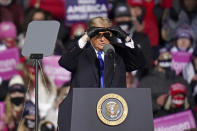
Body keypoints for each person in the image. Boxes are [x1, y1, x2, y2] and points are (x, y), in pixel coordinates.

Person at [58, 16, 145, 88]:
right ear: (90, 34)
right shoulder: (80, 52)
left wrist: (126, 38)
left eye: (106, 35)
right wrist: (85, 37)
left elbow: (139, 63)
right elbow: (64, 62)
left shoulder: (119, 53)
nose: (102, 39)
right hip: (84, 103)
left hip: (112, 105)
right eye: (97, 34)